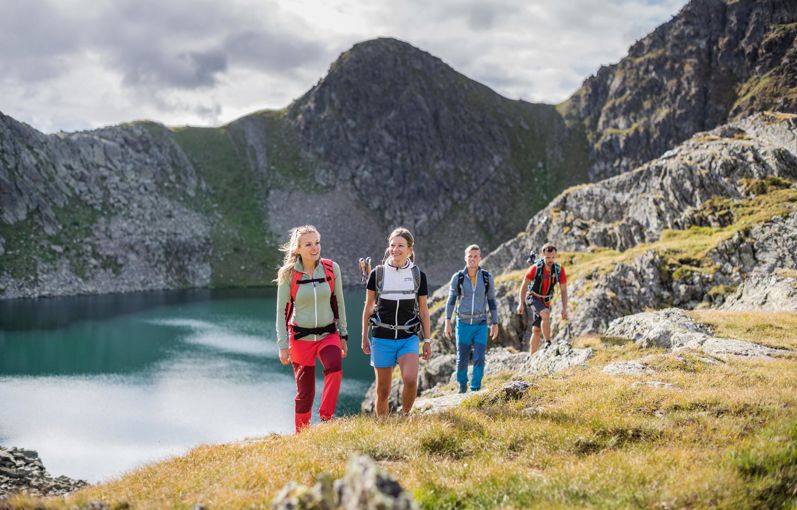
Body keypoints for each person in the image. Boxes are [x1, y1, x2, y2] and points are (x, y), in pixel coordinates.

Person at [275, 225, 348, 433]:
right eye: (308, 244)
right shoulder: (288, 274)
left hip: (328, 335)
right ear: (297, 249)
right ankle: (302, 436)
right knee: (305, 393)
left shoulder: (331, 268)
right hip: (300, 339)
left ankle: (326, 417)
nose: (315, 247)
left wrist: (343, 334)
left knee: (334, 368)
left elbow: (339, 302)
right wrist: (283, 345)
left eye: (317, 242)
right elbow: (281, 311)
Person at [361, 228, 431, 417]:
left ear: (409, 249)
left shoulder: (418, 275)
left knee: (410, 380)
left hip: (408, 337)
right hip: (381, 338)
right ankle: (382, 425)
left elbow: (424, 311)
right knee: (383, 391)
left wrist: (427, 340)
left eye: (400, 245)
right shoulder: (378, 274)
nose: (395, 249)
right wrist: (364, 337)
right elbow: (368, 307)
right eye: (392, 245)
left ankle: (405, 416)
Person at [444, 244, 499, 393]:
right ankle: (462, 385)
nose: (473, 259)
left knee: (480, 357)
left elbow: (492, 301)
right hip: (462, 324)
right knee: (462, 359)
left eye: (476, 256)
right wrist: (447, 321)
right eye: (470, 256)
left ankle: (475, 388)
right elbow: (451, 300)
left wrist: (495, 322)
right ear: (465, 257)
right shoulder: (458, 278)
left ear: (480, 258)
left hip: (481, 323)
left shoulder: (487, 278)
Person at [516, 242, 568, 353]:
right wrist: (521, 303)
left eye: (553, 257)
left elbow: (563, 290)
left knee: (536, 329)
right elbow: (524, 285)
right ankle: (548, 343)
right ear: (542, 255)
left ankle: (531, 356)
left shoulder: (559, 270)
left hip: (546, 300)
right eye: (548, 257)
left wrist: (564, 308)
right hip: (532, 297)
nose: (550, 260)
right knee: (545, 313)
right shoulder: (535, 269)